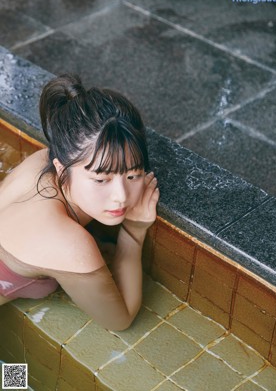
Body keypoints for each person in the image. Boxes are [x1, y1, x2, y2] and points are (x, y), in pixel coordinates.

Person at [0, 74, 159, 331]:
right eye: (101, 180)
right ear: (62, 169)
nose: (121, 195)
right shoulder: (68, 244)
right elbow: (120, 320)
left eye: (132, 175)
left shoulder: (41, 161)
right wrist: (133, 233)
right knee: (18, 373)